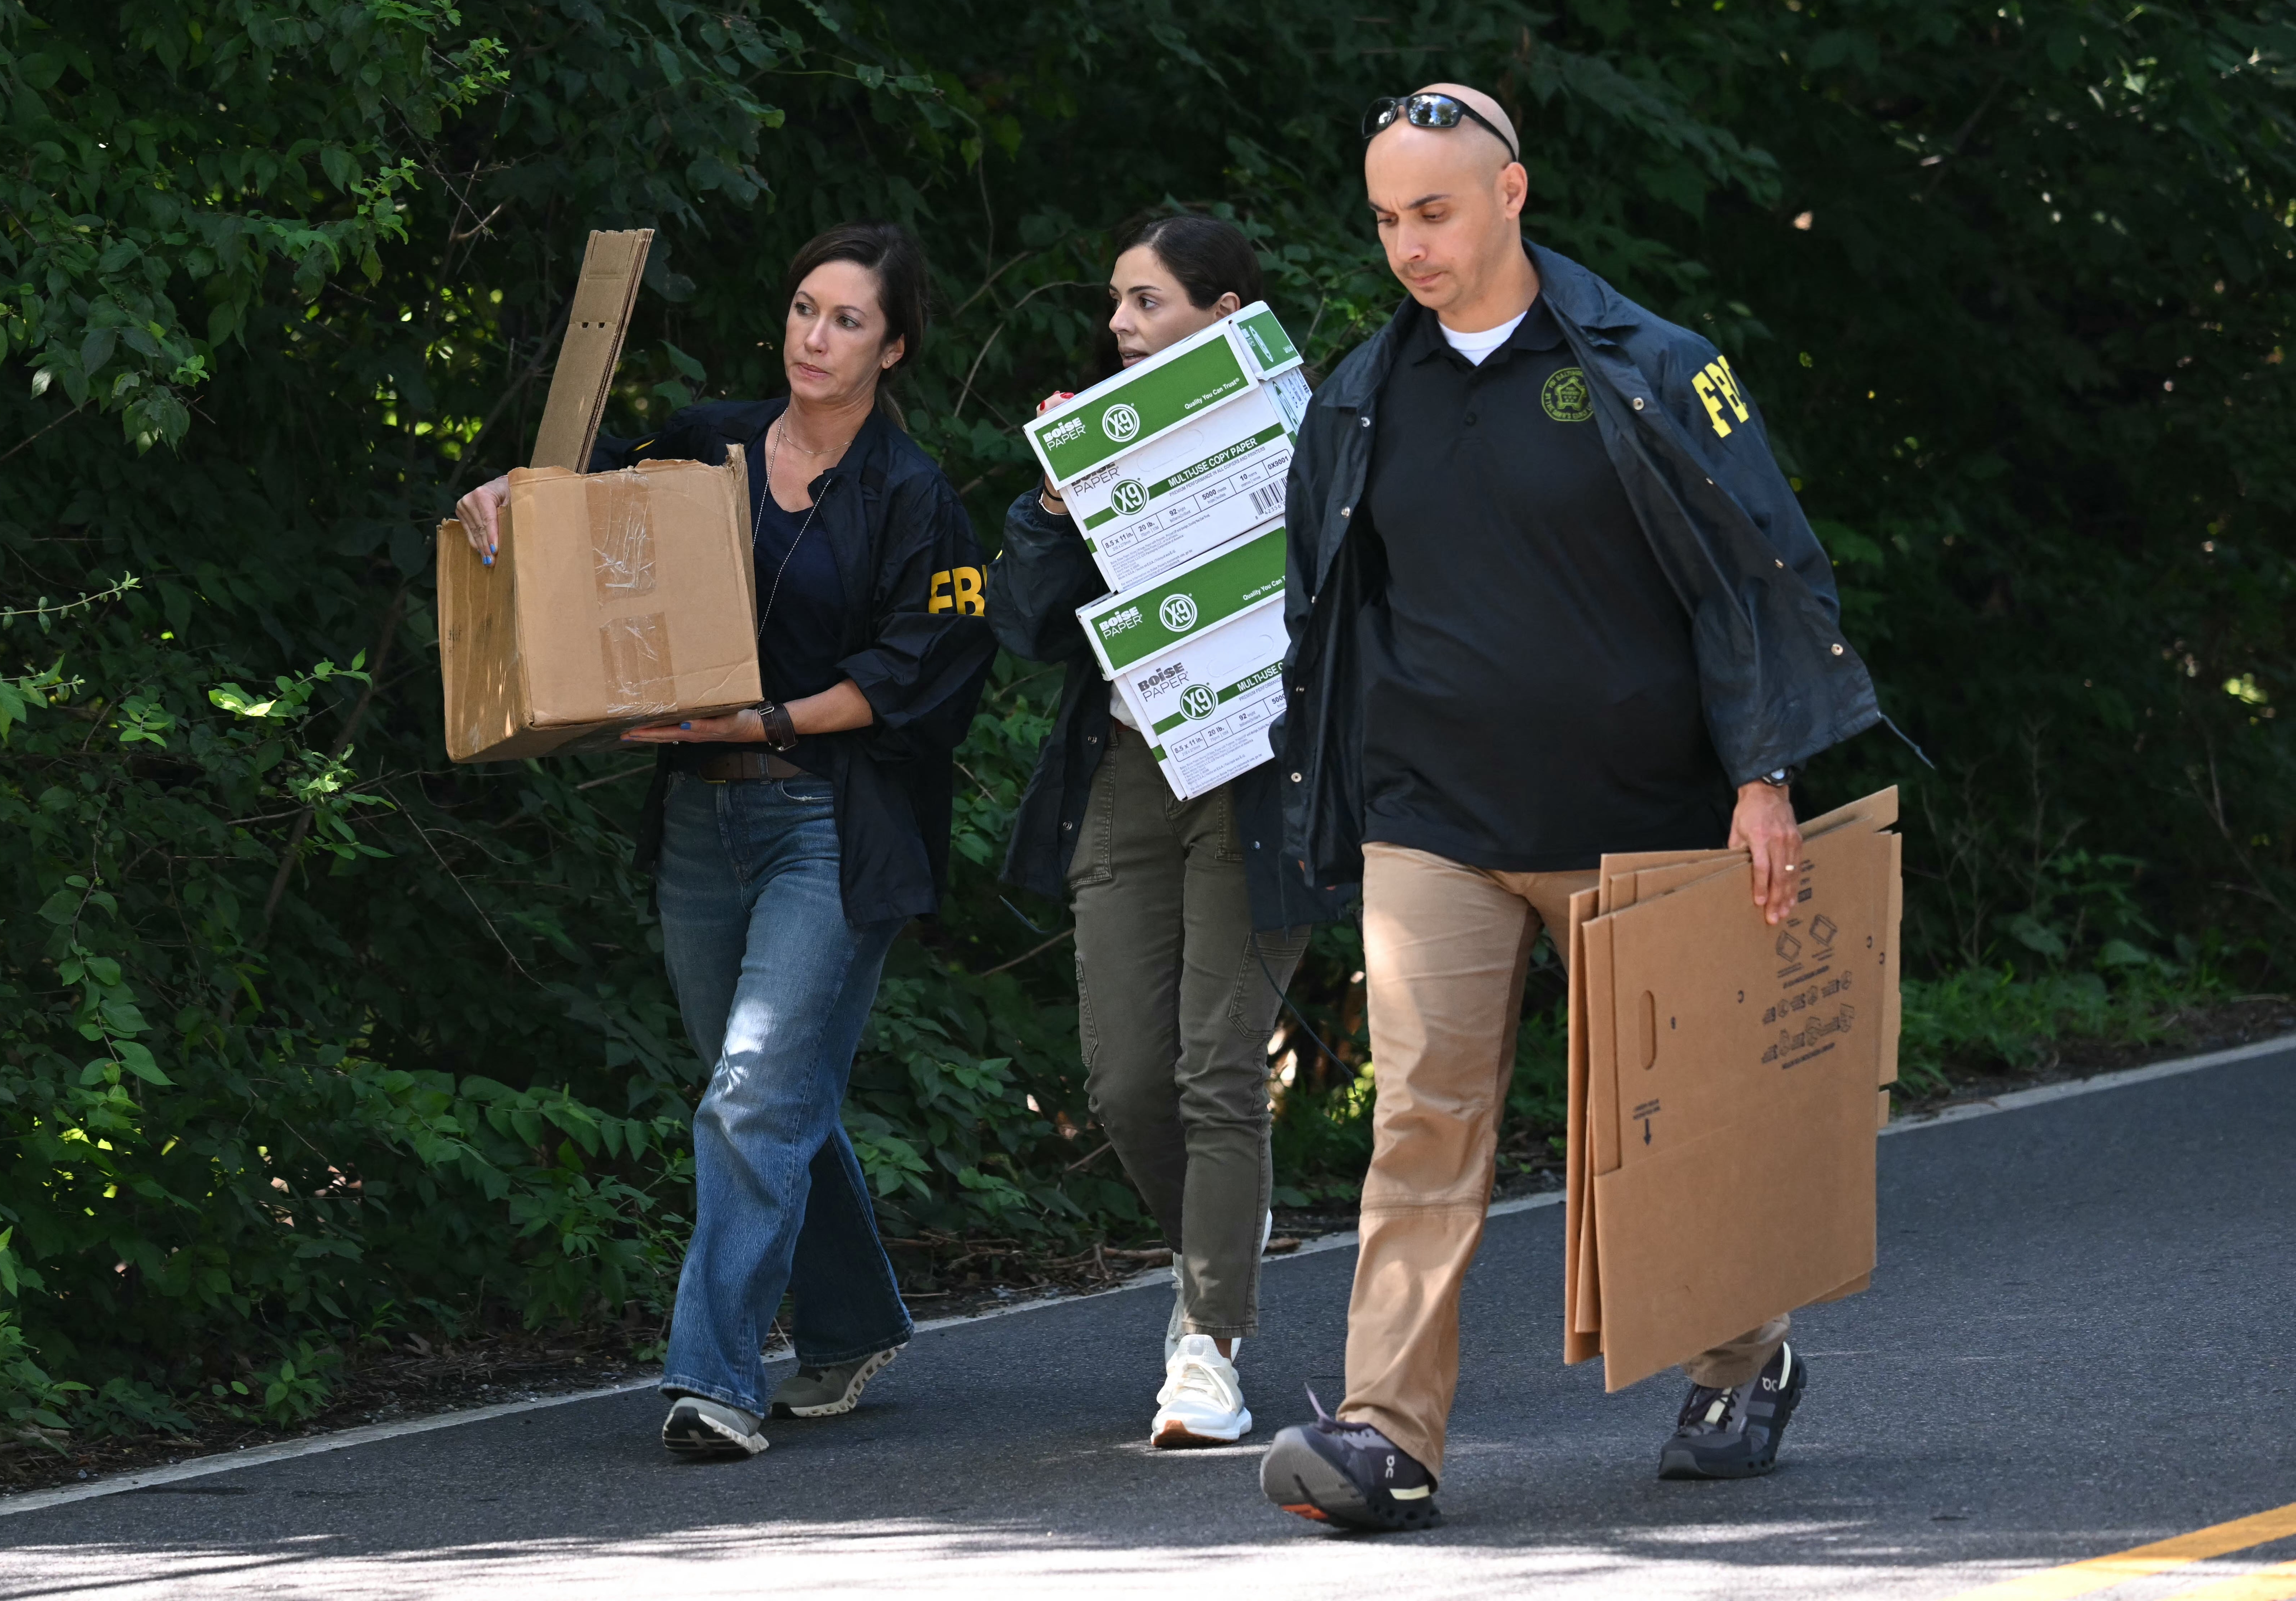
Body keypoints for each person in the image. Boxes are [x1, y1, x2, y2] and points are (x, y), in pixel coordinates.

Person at [1256, 86, 1881, 1530]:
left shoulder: (1649, 366)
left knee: (1679, 1127)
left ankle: (1742, 1356)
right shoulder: (1359, 396)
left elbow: (1758, 572)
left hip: (1645, 816)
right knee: (1423, 1116)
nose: (1411, 244)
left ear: (1511, 193)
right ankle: (1384, 1437)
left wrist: (1763, 773)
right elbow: (1327, 607)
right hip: (1437, 822)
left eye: (1436, 209)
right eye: (1387, 218)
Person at [456, 223, 995, 1460]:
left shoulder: (914, 498)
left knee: (753, 1092)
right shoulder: (706, 441)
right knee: (766, 1092)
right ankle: (854, 1320)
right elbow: (582, 518)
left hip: (829, 819)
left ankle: (714, 1381)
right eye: (806, 309)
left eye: (848, 320)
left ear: (893, 346)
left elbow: (924, 671)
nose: (817, 336)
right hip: (700, 816)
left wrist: (766, 714)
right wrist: (505, 497)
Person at [987, 213, 1341, 1450]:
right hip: (1132, 773)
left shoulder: (1316, 437)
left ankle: (1209, 1342)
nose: (1120, 328)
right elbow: (1024, 626)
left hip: (1262, 782)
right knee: (1129, 1081)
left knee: (1215, 1072)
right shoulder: (1098, 447)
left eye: (1146, 304)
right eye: (1119, 304)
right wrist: (1050, 501)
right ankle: (1218, 1254)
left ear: (1228, 314)